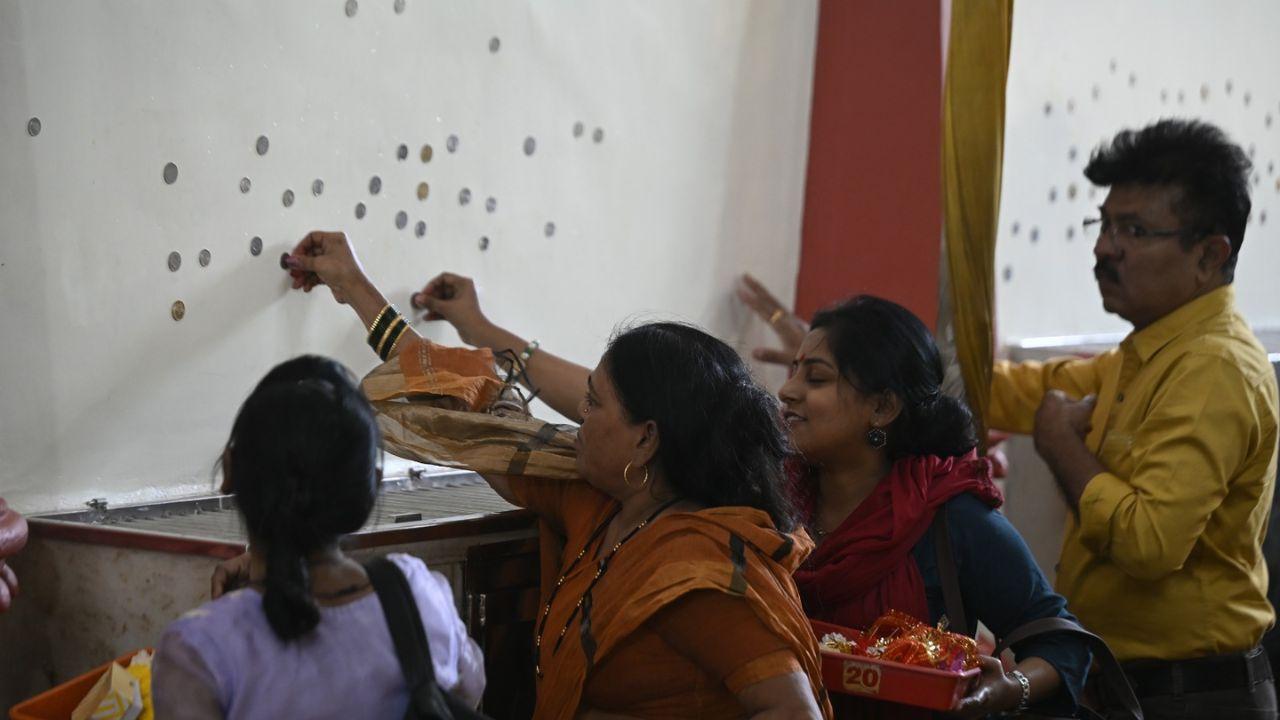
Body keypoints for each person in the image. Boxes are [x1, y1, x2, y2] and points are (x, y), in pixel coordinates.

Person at [369, 262, 1089, 717]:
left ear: (884, 409)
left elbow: (1061, 644)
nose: (790, 391)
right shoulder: (773, 494)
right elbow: (589, 416)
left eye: (817, 377)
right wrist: (474, 327)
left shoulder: (949, 521)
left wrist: (1005, 690)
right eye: (793, 369)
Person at [276, 232, 831, 719]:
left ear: (646, 439)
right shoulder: (594, 499)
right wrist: (355, 288)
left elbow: (792, 712)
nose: (577, 421)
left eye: (593, 406)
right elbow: (467, 405)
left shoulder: (701, 569)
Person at [987, 119, 1279, 718]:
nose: (1103, 247)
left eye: (1134, 230)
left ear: (1209, 253)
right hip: (1132, 686)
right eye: (1105, 223)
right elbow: (1017, 392)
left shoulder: (1214, 368)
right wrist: (862, 365)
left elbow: (1149, 544)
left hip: (1193, 696)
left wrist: (1061, 445)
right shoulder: (1144, 353)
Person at [155, 355, 485, 719]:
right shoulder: (416, 596)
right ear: (370, 486)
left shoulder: (199, 651)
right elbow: (468, 692)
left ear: (231, 470)